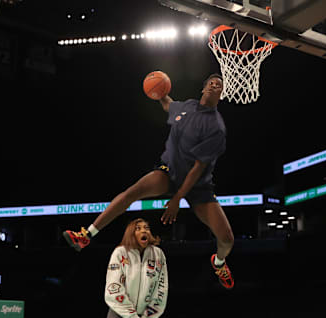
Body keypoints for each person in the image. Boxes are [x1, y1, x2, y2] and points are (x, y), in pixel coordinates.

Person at [64, 73, 235, 289]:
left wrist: (177, 200)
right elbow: (169, 106)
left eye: (218, 85)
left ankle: (219, 263)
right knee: (131, 193)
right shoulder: (187, 107)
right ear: (203, 89)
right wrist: (159, 92)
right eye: (211, 82)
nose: (214, 85)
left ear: (221, 93)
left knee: (227, 238)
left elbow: (197, 169)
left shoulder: (216, 128)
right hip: (168, 173)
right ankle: (86, 235)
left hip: (197, 186)